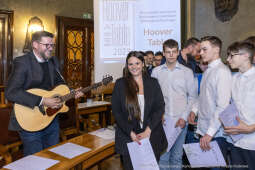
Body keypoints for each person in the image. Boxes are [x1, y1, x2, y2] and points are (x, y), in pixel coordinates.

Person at [5, 31, 83, 156]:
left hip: (51, 119)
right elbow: (11, 92)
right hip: (29, 119)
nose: (51, 48)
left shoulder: (53, 61)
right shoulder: (23, 62)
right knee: (35, 161)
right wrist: (42, 100)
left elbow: (60, 84)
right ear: (35, 44)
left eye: (52, 45)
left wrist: (72, 92)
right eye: (47, 45)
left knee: (53, 157)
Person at [112, 51, 167, 170]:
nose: (134, 67)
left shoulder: (153, 83)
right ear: (127, 66)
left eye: (137, 63)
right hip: (128, 136)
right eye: (130, 64)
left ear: (143, 64)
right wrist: (130, 133)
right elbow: (117, 112)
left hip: (152, 135)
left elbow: (160, 107)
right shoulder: (120, 84)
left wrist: (148, 130)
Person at [152, 39, 197, 170]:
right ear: (164, 53)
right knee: (163, 157)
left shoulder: (187, 72)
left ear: (178, 53)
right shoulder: (156, 72)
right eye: (168, 52)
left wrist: (184, 117)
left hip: (180, 120)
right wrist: (158, 114)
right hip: (163, 120)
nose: (171, 55)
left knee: (177, 157)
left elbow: (193, 97)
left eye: (173, 52)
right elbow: (154, 98)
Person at [188, 36, 232, 169]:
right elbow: (202, 96)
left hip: (215, 134)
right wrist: (193, 110)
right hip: (204, 130)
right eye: (200, 50)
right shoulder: (209, 70)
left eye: (204, 49)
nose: (200, 53)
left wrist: (209, 133)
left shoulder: (222, 72)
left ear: (216, 50)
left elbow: (223, 106)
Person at [225, 41, 255, 170]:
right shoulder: (234, 78)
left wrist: (251, 128)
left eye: (231, 55)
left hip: (252, 143)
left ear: (245, 56)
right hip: (235, 141)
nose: (227, 59)